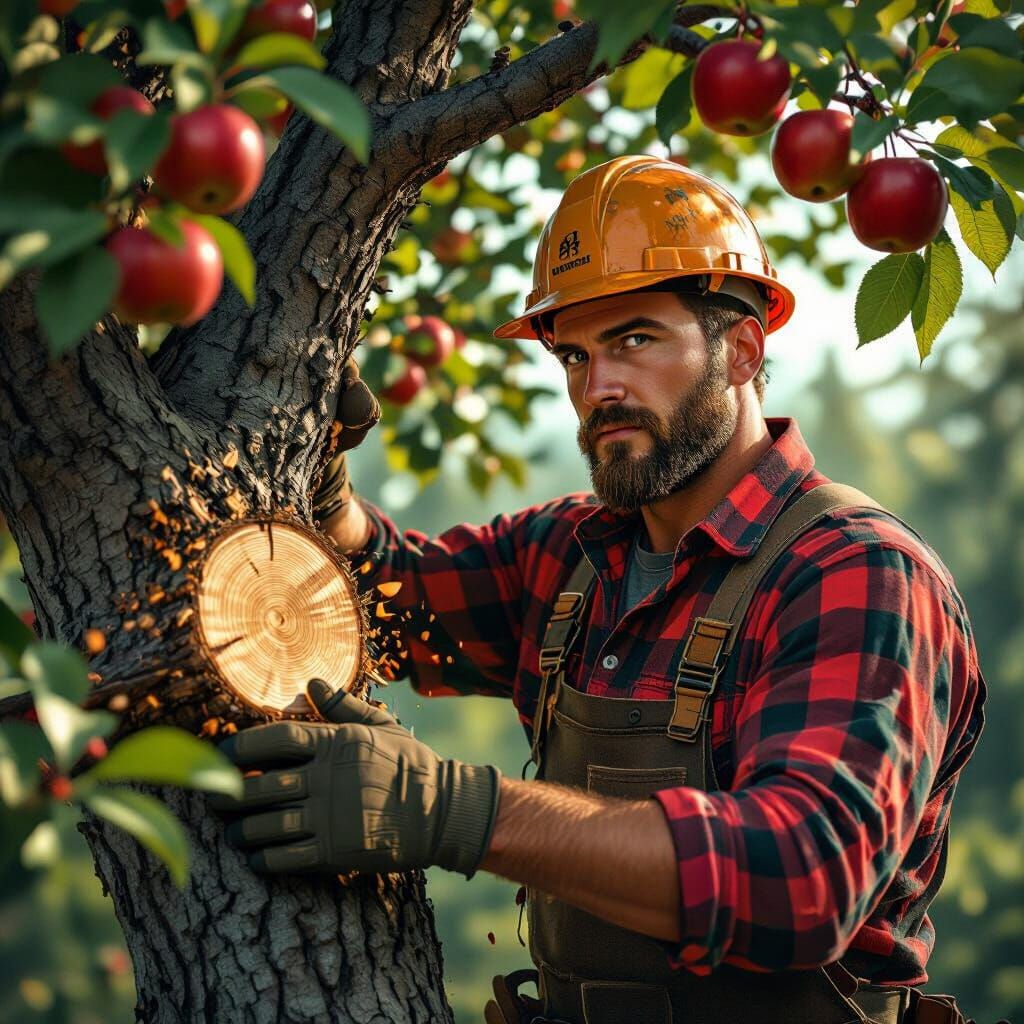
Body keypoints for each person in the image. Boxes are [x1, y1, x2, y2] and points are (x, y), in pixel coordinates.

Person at [211, 156, 986, 1024]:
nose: (597, 388)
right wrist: (317, 483)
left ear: (741, 349)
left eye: (634, 340)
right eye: (575, 353)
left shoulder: (854, 573)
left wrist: (456, 811)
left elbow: (801, 879)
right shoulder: (576, 554)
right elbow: (390, 599)